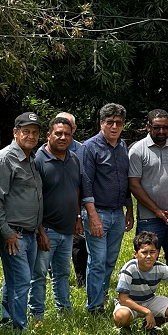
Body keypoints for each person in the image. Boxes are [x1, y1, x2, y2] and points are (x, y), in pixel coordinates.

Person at [81, 103, 134, 314]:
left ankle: (101, 296)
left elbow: (125, 181)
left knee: (110, 260)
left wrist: (129, 209)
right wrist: (92, 216)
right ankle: (93, 306)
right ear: (101, 123)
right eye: (109, 122)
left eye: (118, 123)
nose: (114, 126)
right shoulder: (90, 147)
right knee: (97, 260)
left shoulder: (122, 147)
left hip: (117, 212)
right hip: (98, 212)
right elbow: (85, 184)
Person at [29, 116, 83, 322]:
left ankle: (64, 312)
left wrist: (78, 217)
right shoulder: (38, 161)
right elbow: (35, 198)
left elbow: (75, 190)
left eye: (67, 134)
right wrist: (40, 230)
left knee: (62, 274)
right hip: (47, 229)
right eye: (58, 133)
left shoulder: (73, 159)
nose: (62, 137)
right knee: (39, 274)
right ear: (48, 135)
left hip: (67, 229)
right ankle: (37, 316)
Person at [0, 112, 43, 330]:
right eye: (26, 131)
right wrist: (5, 232)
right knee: (22, 280)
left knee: (15, 279)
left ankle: (8, 320)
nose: (31, 136)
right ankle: (19, 328)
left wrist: (39, 229)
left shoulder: (31, 158)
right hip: (14, 233)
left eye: (35, 132)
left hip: (30, 232)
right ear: (15, 133)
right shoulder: (6, 159)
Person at [129, 109, 168, 274]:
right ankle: (144, 292)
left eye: (165, 127)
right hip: (149, 218)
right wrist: (157, 211)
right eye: (157, 127)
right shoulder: (137, 151)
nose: (161, 131)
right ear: (148, 127)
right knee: (146, 258)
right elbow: (134, 184)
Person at [112, 231, 168, 331]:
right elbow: (123, 299)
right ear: (135, 254)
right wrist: (147, 312)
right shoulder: (129, 269)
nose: (149, 256)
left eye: (152, 252)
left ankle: (153, 324)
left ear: (157, 253)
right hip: (130, 303)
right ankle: (126, 329)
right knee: (120, 317)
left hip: (150, 300)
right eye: (144, 252)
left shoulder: (160, 268)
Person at [58, 112, 88, 289]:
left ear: (74, 129)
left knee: (78, 243)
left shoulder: (82, 149)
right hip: (54, 207)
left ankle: (81, 278)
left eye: (68, 126)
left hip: (76, 203)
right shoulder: (42, 153)